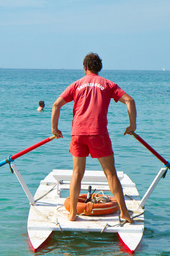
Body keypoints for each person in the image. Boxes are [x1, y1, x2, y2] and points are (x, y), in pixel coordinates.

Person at [51, 52, 136, 223]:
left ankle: (73, 213)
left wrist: (55, 129)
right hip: (98, 134)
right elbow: (130, 101)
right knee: (110, 173)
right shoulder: (108, 84)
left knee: (77, 173)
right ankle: (124, 213)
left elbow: (56, 105)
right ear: (99, 68)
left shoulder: (76, 85)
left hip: (78, 133)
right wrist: (132, 126)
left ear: (85, 68)